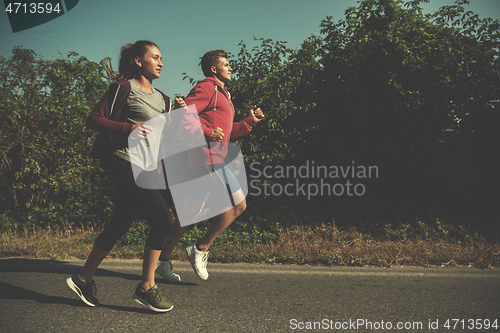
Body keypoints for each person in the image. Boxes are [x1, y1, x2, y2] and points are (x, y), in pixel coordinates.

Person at [66, 40, 185, 312]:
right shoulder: (123, 88)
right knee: (162, 222)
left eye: (161, 58)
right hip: (123, 161)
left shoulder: (163, 99)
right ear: (137, 61)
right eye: (155, 57)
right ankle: (146, 287)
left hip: (146, 166)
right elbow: (93, 119)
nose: (161, 62)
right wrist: (127, 129)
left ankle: (83, 278)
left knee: (121, 221)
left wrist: (177, 116)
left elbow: (163, 137)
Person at [156, 50, 264, 282]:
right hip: (207, 158)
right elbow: (182, 116)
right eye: (226, 64)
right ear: (214, 69)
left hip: (211, 158)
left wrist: (249, 122)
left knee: (189, 215)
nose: (231, 68)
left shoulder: (224, 94)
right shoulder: (207, 88)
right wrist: (206, 132)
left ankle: (162, 263)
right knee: (238, 205)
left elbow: (225, 132)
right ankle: (201, 248)